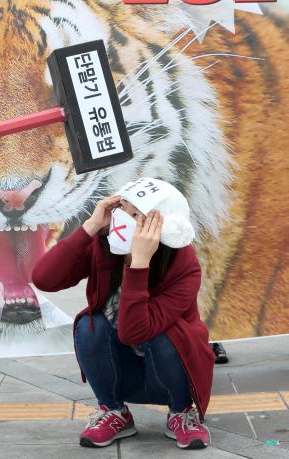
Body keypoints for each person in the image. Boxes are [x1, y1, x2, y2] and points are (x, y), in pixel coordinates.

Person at [32, 178, 215, 450]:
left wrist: (139, 263)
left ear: (159, 226)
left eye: (134, 215)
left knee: (167, 336)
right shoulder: (105, 241)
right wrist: (91, 226)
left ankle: (181, 412)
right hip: (123, 363)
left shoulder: (183, 262)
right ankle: (114, 411)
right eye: (122, 209)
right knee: (90, 325)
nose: (121, 219)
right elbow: (44, 278)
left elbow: (136, 331)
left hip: (169, 367)